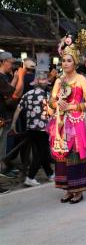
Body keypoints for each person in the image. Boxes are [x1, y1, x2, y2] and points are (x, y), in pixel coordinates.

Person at [47, 30, 86, 203]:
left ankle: (78, 190)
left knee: (74, 155)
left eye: (69, 60)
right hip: (61, 122)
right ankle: (67, 188)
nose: (65, 63)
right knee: (62, 157)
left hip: (76, 121)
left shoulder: (81, 79)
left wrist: (72, 106)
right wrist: (56, 104)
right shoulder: (59, 80)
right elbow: (52, 99)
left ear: (75, 62)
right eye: (63, 60)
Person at [10, 71, 54, 186]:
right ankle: (30, 177)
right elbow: (53, 113)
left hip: (30, 128)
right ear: (43, 83)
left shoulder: (27, 94)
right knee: (41, 153)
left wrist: (13, 124)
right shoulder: (47, 95)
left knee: (41, 152)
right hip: (43, 129)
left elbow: (18, 110)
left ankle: (50, 174)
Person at [0, 52, 24, 193]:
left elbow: (11, 91)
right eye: (10, 62)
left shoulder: (5, 77)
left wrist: (15, 78)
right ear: (3, 62)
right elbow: (12, 93)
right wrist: (19, 77)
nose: (12, 65)